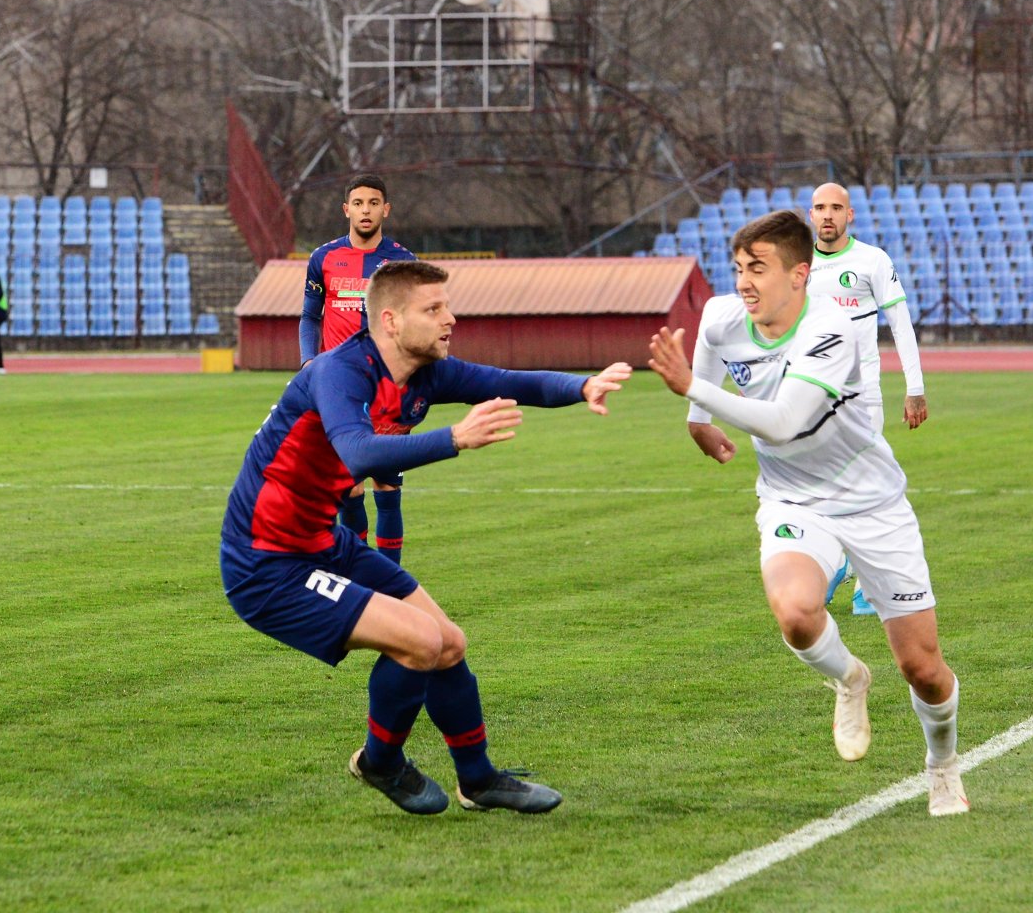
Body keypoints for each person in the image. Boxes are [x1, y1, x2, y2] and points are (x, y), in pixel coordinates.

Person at [225, 259, 633, 815]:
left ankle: (479, 779)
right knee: (420, 642)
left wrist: (581, 385)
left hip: (321, 543)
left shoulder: (424, 374)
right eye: (434, 309)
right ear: (390, 321)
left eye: (448, 306)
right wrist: (455, 438)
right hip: (265, 563)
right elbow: (359, 452)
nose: (451, 319)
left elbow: (508, 382)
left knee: (449, 643)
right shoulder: (339, 372)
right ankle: (380, 762)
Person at [646, 210, 967, 817]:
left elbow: (786, 422)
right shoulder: (722, 316)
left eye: (758, 269)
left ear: (800, 274)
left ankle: (943, 766)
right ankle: (850, 678)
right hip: (794, 501)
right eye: (738, 268)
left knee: (923, 669)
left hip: (872, 505)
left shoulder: (833, 329)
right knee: (795, 612)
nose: (744, 282)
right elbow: (713, 348)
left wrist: (692, 390)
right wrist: (698, 424)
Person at [808, 181, 929, 615]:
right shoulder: (797, 265)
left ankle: (858, 581)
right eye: (820, 207)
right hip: (811, 397)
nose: (827, 215)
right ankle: (837, 565)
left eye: (835, 208)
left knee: (864, 484)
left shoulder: (872, 260)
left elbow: (900, 323)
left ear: (849, 215)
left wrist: (914, 388)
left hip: (862, 396)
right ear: (810, 214)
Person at [299, 173, 416, 562]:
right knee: (347, 488)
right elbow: (309, 317)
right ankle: (359, 571)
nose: (366, 210)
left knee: (386, 487)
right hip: (340, 390)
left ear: (386, 209)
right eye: (358, 203)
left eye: (373, 203)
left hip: (388, 387)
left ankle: (391, 583)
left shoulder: (401, 261)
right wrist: (308, 361)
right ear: (346, 209)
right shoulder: (324, 258)